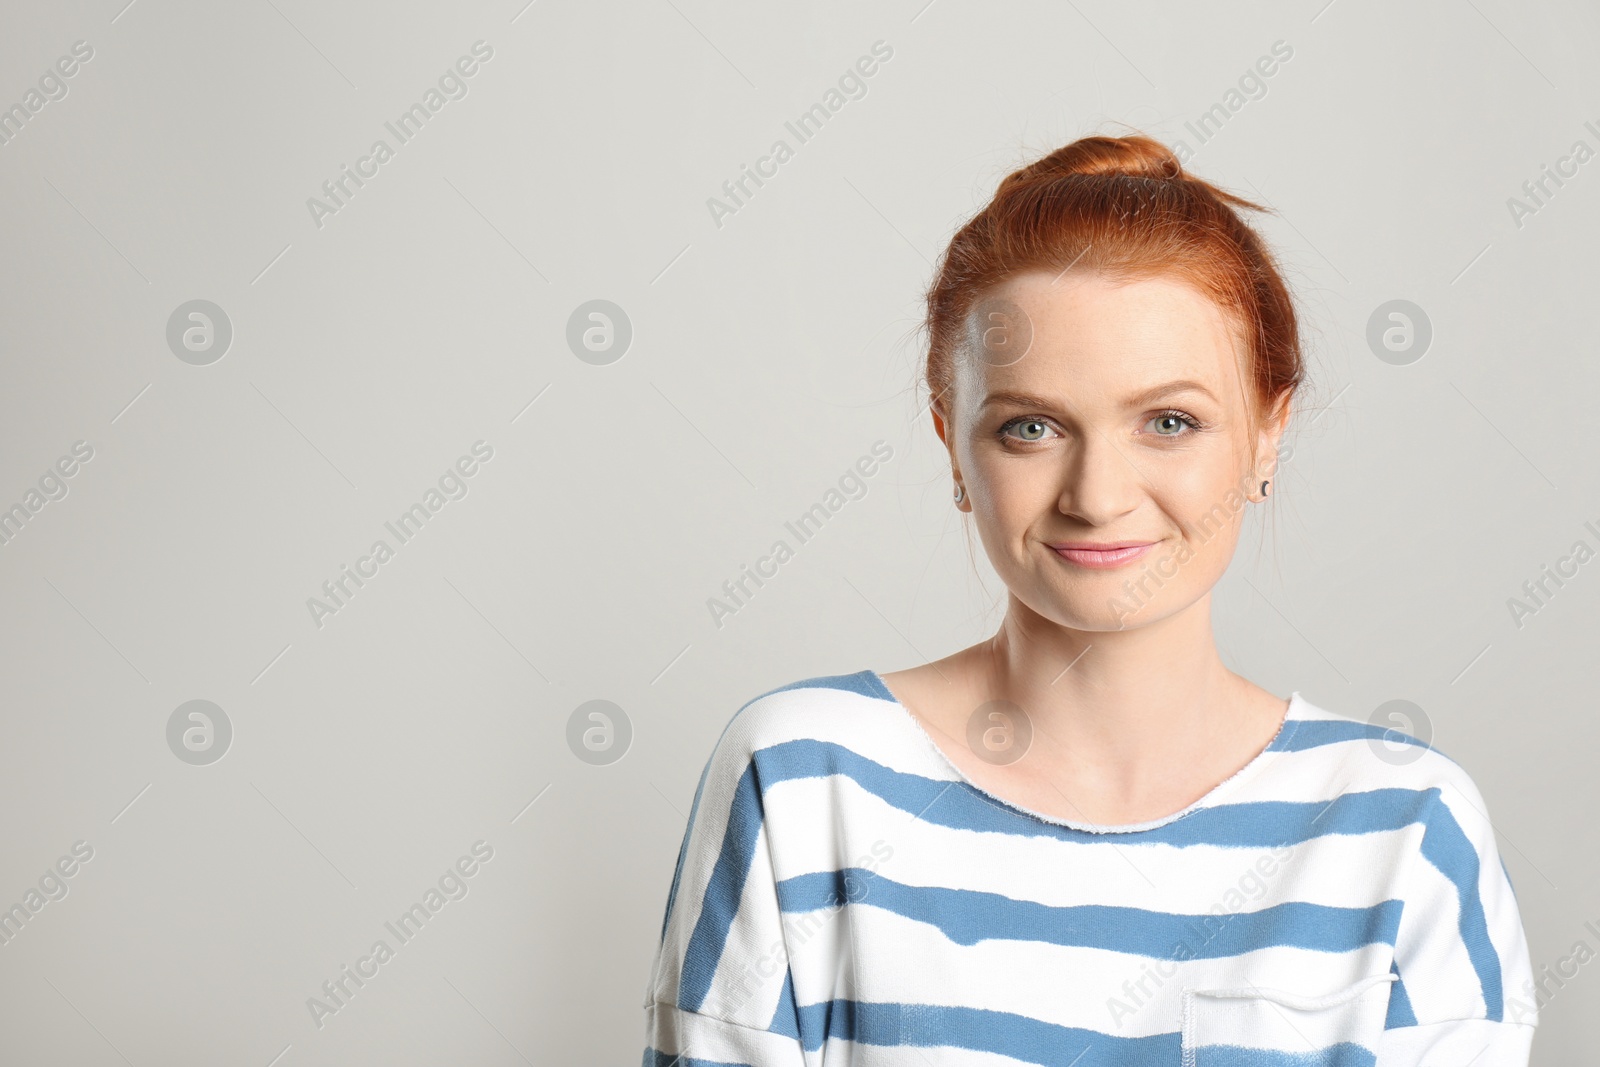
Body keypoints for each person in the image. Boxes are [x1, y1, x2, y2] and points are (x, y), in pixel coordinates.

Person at [640, 132, 1538, 1065]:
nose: (1097, 494)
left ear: (1269, 433)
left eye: (1169, 421)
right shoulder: (799, 779)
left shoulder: (1407, 826)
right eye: (1031, 427)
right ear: (953, 442)